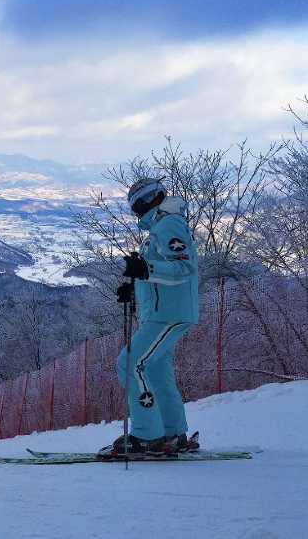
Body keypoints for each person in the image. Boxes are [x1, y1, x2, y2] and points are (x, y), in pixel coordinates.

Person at [100, 178, 200, 457]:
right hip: (163, 312)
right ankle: (172, 433)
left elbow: (184, 268)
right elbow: (158, 271)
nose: (135, 213)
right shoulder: (162, 225)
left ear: (146, 201)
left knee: (129, 363)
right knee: (155, 371)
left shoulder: (169, 224)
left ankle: (147, 436)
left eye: (135, 206)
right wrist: (135, 284)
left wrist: (145, 268)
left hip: (167, 314)